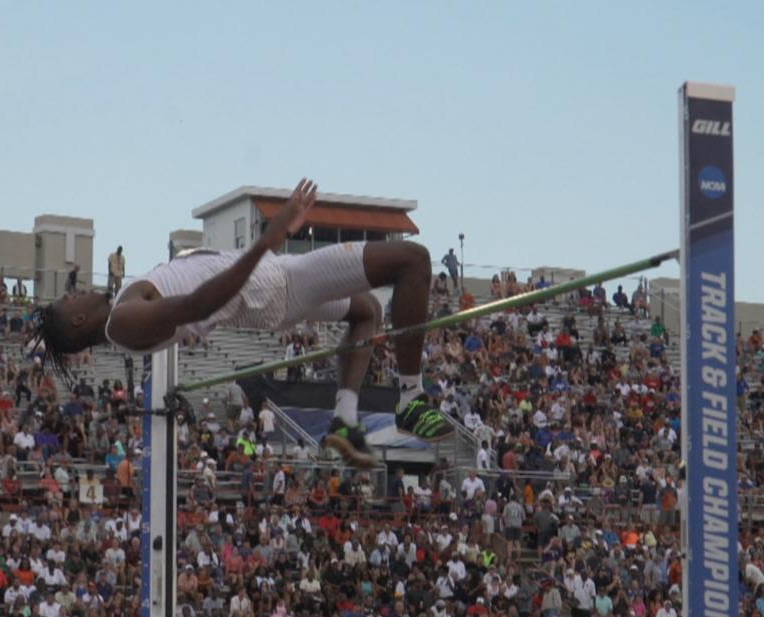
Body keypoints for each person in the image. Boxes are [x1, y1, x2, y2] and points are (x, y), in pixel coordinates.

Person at [29, 179, 453, 468]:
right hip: (281, 284)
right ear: (79, 317)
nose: (77, 290)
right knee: (412, 261)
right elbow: (195, 304)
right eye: (71, 299)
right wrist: (265, 241)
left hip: (277, 284)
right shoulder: (124, 322)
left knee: (367, 312)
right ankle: (411, 400)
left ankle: (344, 417)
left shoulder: (123, 309)